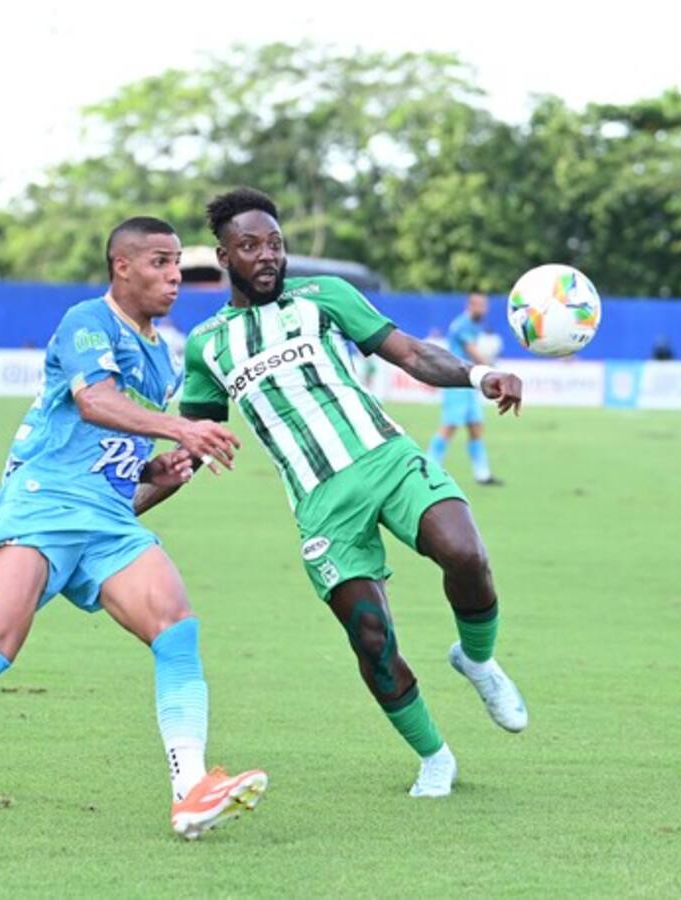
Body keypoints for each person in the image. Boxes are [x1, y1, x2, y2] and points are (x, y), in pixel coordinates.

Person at [0, 217, 268, 840]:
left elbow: (115, 470)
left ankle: (189, 790)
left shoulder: (161, 357)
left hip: (106, 520)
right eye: (160, 262)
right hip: (41, 502)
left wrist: (157, 476)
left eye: (177, 263)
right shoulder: (87, 321)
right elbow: (93, 402)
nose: (175, 275)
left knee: (177, 627)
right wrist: (182, 429)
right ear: (122, 267)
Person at [159, 188, 528, 799]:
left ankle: (478, 660)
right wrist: (130, 496)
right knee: (372, 640)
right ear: (224, 256)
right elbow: (192, 445)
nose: (267, 255)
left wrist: (477, 375)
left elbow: (409, 352)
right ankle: (435, 757)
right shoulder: (207, 345)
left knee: (465, 553)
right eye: (250, 245)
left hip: (386, 458)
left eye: (275, 243)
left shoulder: (325, 297)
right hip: (321, 503)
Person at [427, 293, 503, 485]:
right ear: (470, 305)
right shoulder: (462, 325)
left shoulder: (474, 325)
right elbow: (473, 352)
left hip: (469, 384)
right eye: (480, 305)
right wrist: (492, 371)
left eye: (485, 305)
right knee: (449, 426)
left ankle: (482, 474)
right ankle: (428, 469)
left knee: (476, 427)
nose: (484, 309)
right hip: (456, 382)